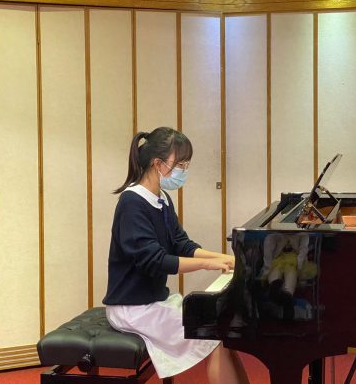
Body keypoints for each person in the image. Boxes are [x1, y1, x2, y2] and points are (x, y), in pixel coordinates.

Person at [103, 127, 249, 384]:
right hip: (132, 308)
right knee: (213, 335)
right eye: (180, 164)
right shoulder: (132, 203)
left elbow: (181, 243)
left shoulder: (162, 199)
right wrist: (208, 264)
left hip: (153, 301)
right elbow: (155, 261)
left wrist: (225, 258)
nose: (184, 170)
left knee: (222, 331)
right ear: (158, 164)